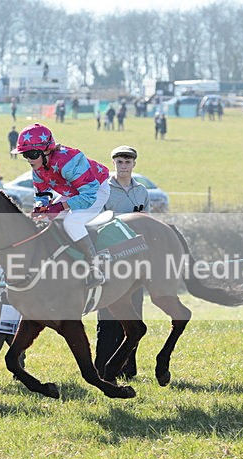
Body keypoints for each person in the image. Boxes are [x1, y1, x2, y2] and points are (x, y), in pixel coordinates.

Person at [10, 123, 110, 287]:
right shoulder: (38, 167)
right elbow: (42, 193)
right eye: (25, 155)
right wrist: (41, 206)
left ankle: (96, 267)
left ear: (47, 150)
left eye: (32, 154)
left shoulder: (69, 162)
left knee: (72, 222)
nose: (29, 159)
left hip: (97, 190)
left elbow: (89, 196)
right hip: (74, 191)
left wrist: (60, 207)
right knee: (46, 219)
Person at [95, 145, 150, 378]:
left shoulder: (142, 191)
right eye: (119, 161)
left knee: (133, 314)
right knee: (108, 318)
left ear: (134, 164)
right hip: (111, 257)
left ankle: (128, 368)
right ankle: (102, 367)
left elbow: (147, 221)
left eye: (127, 161)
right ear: (114, 163)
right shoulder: (104, 189)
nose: (123, 165)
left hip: (135, 259)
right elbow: (97, 220)